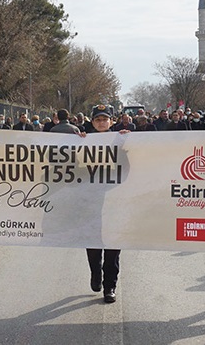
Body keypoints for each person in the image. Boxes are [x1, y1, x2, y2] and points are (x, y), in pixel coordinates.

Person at [85, 104, 121, 303]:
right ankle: (96, 274)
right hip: (90, 202)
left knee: (113, 245)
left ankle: (110, 286)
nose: (101, 122)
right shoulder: (82, 141)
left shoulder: (120, 141)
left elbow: (129, 168)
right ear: (92, 122)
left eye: (104, 119)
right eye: (97, 119)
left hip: (114, 202)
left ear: (111, 121)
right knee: (92, 241)